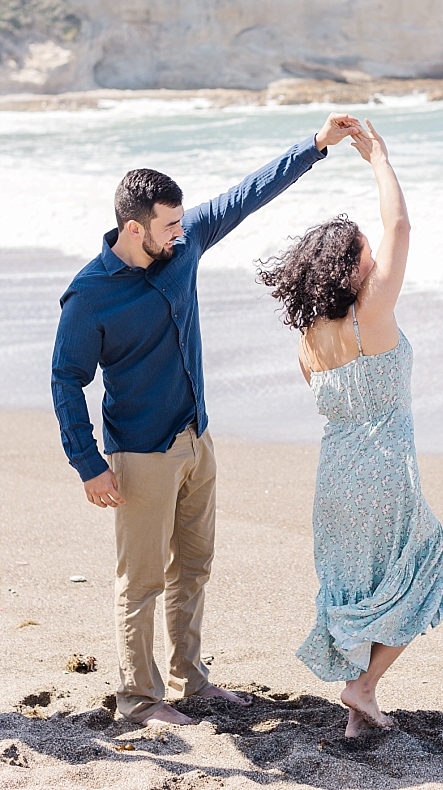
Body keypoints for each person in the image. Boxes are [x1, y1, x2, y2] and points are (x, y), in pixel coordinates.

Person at [51, 113, 361, 726]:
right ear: (133, 227)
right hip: (140, 454)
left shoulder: (182, 243)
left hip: (197, 441)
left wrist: (317, 146)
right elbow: (67, 381)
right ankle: (139, 702)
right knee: (140, 583)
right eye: (168, 225)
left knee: (193, 567)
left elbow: (248, 195)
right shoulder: (89, 296)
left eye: (181, 221)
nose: (180, 231)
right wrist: (88, 464)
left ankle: (189, 682)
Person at [256, 118, 443, 739]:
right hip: (384, 472)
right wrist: (379, 157)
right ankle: (363, 685)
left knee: (359, 589)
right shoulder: (374, 313)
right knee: (425, 563)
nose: (377, 254)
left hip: (334, 481)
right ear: (353, 268)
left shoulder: (308, 342)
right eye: (365, 251)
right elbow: (400, 226)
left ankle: (356, 715)